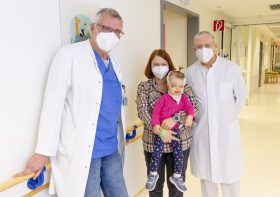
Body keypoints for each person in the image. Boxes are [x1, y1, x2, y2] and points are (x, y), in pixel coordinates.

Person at [15, 8, 128, 197]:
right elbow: (53, 105)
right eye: (106, 29)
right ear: (93, 28)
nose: (112, 35)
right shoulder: (68, 55)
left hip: (111, 150)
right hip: (83, 152)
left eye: (117, 32)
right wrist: (42, 152)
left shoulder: (114, 64)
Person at [185, 31, 246, 197]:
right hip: (202, 133)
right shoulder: (190, 73)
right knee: (207, 183)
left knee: (230, 181)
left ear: (215, 47)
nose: (203, 49)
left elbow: (240, 98)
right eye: (199, 47)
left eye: (207, 46)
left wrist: (226, 118)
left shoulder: (231, 68)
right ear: (194, 49)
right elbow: (187, 102)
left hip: (226, 134)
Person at [136, 49, 199, 197]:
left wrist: (175, 119)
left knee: (176, 189)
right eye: (156, 64)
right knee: (155, 189)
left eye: (163, 64)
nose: (159, 67)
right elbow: (143, 111)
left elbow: (193, 107)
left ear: (169, 65)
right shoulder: (144, 87)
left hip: (180, 142)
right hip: (154, 143)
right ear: (150, 66)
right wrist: (161, 131)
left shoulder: (183, 84)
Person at [146, 70, 196, 193]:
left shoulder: (184, 98)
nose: (177, 89)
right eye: (174, 86)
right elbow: (156, 113)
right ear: (168, 86)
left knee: (178, 154)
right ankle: (153, 174)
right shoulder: (164, 98)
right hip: (161, 131)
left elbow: (191, 108)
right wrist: (156, 125)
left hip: (176, 132)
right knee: (156, 153)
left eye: (181, 86)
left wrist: (190, 116)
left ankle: (177, 176)